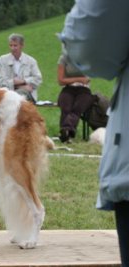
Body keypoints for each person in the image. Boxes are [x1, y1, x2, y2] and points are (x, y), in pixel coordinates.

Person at [61, 0, 129, 266]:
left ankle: (67, 130)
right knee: (68, 100)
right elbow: (61, 79)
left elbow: (92, 47)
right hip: (70, 88)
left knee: (80, 102)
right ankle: (67, 129)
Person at [56, 51, 93, 143]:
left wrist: (69, 79)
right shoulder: (63, 58)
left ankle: (65, 131)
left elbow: (87, 79)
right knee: (65, 106)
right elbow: (61, 80)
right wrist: (79, 79)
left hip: (84, 90)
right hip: (68, 88)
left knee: (78, 107)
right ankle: (67, 133)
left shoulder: (87, 57)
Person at [0, 33, 42, 103]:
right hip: (7, 94)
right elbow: (1, 81)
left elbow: (38, 79)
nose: (12, 48)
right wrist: (18, 85)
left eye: (15, 45)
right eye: (10, 45)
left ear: (22, 46)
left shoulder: (31, 61)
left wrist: (23, 81)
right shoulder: (2, 60)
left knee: (19, 97)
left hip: (27, 96)